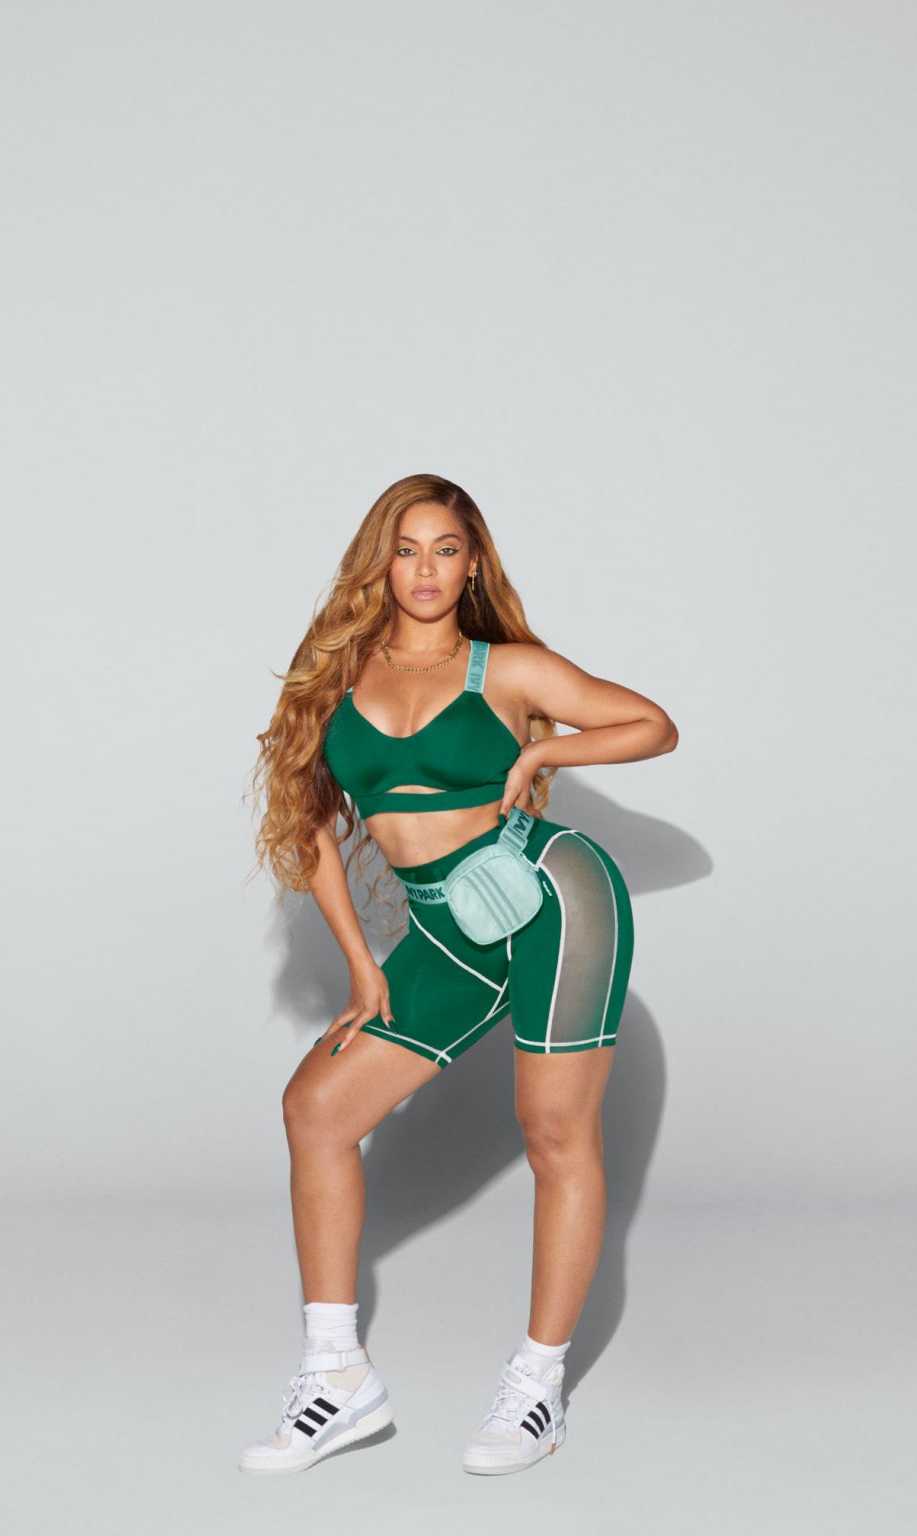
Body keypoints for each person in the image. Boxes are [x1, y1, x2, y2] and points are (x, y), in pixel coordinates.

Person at [239, 473, 678, 1475]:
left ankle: (537, 1386)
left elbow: (654, 725)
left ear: (472, 564)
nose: (426, 569)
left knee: (553, 1133)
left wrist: (538, 762)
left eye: (446, 549)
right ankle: (337, 1377)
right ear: (380, 564)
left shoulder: (507, 670)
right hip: (445, 929)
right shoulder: (336, 675)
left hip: (554, 900)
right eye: (407, 550)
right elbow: (309, 826)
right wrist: (362, 969)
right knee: (317, 1110)